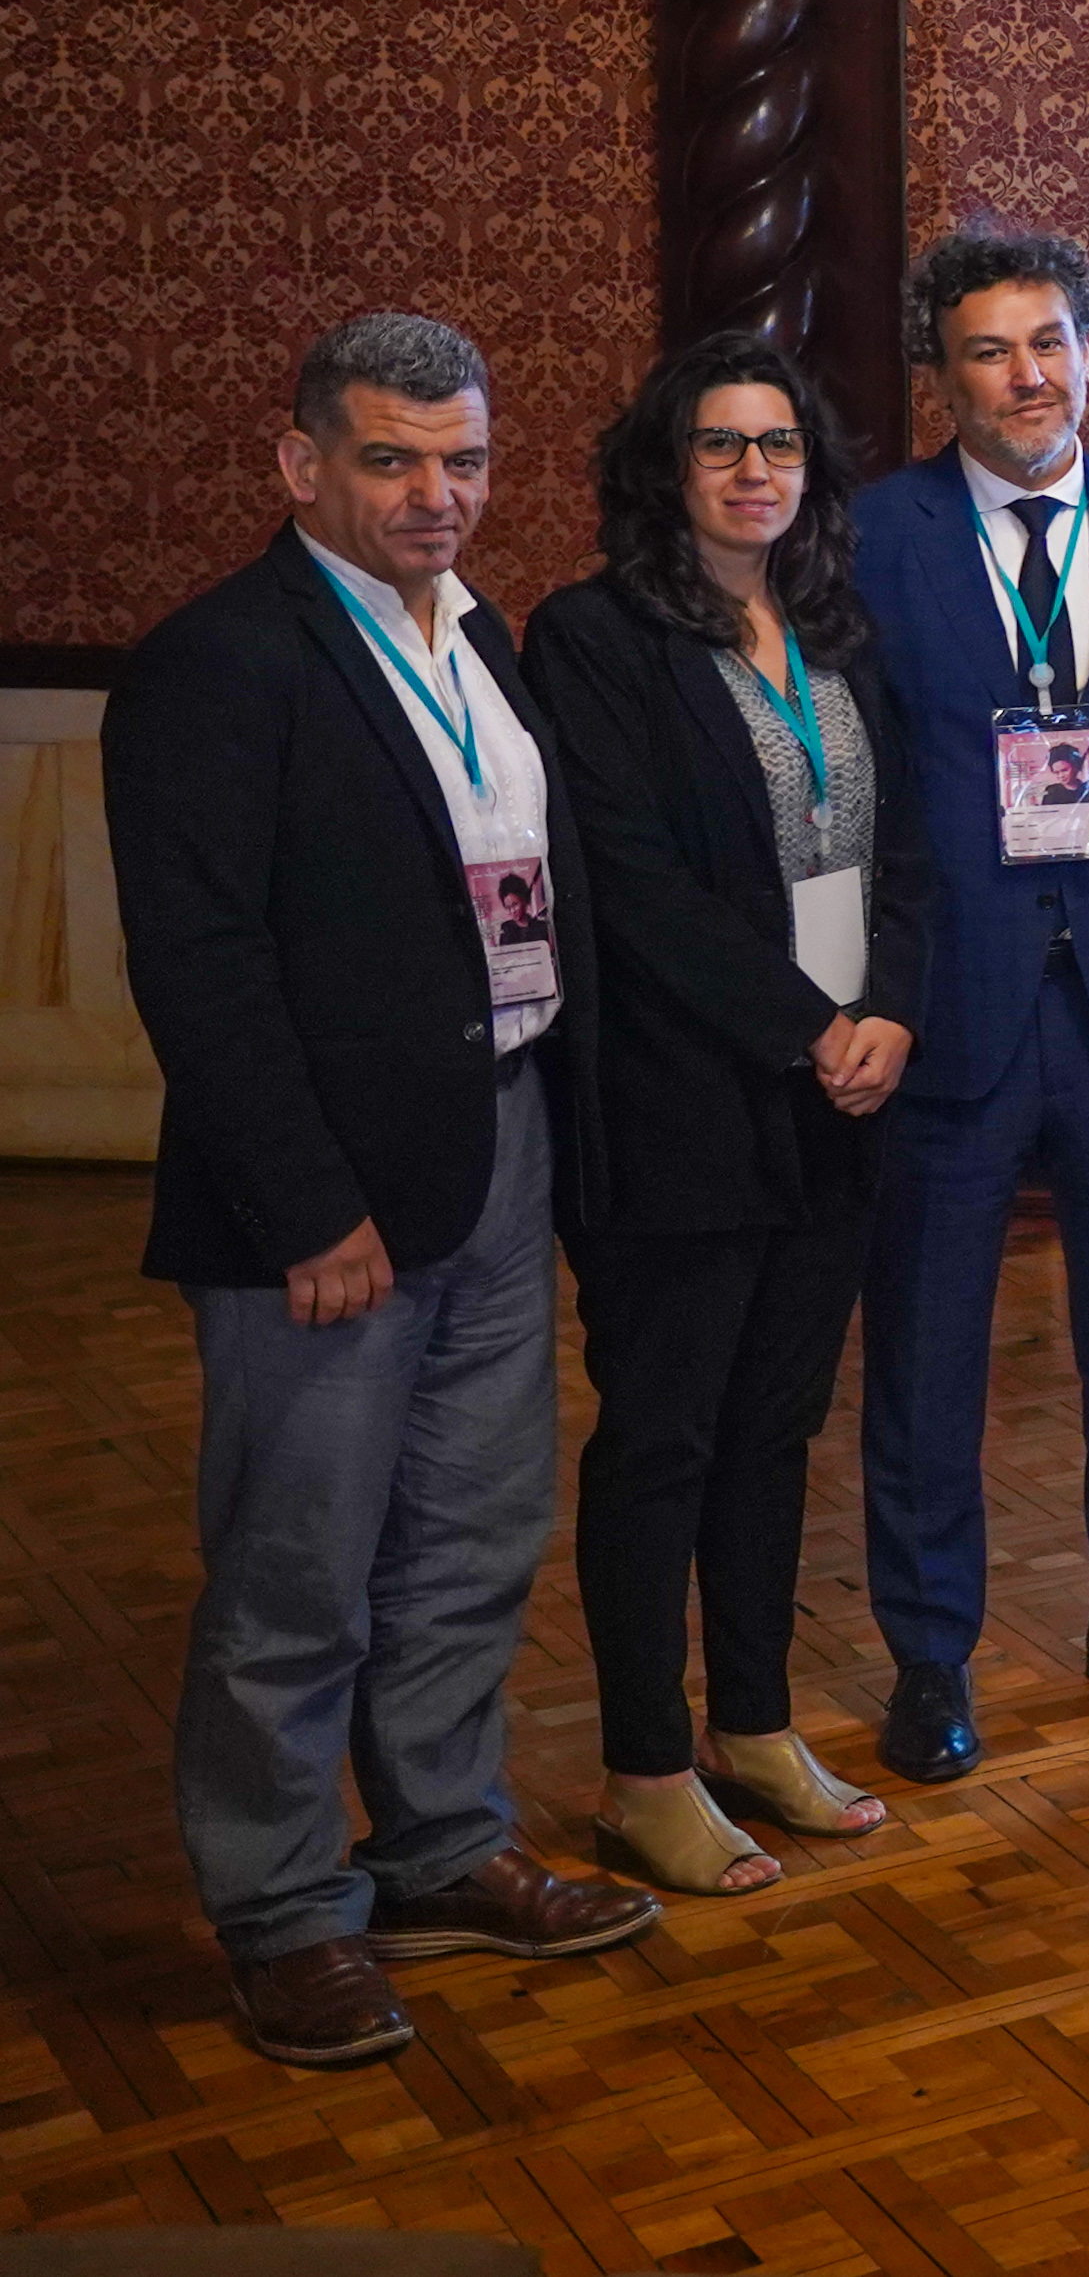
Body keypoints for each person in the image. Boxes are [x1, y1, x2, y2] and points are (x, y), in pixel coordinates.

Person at [111, 313, 659, 2068]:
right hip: (327, 1206)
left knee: (471, 1534)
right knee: (296, 1567)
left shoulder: (480, 635)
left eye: (468, 460)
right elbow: (200, 964)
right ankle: (283, 1911)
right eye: (393, 459)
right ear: (301, 465)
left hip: (498, 1150)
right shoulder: (222, 660)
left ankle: (437, 1843)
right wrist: (303, 1207)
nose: (440, 495)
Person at [525, 334, 930, 1895]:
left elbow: (906, 852)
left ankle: (755, 1724)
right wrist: (806, 1025)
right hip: (687, 1101)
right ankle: (644, 1764)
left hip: (845, 1094)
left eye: (779, 443)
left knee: (775, 1427)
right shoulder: (597, 637)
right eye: (719, 444)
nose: (755, 469)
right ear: (665, 467)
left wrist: (885, 1008)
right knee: (664, 1439)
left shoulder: (836, 629)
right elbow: (630, 885)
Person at [848, 221, 1089, 1779]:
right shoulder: (868, 537)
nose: (1027, 375)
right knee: (928, 1347)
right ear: (941, 372)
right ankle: (930, 1656)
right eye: (991, 349)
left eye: (1051, 342)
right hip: (952, 1000)